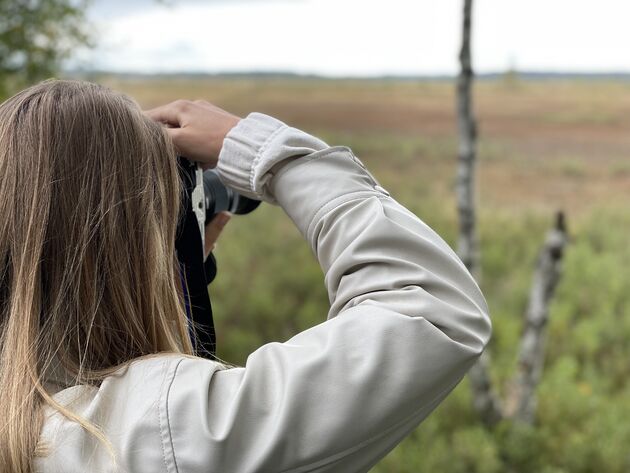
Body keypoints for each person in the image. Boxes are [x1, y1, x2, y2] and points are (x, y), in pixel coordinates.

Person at [0, 79, 492, 473]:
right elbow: (430, 307)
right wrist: (267, 153)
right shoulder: (162, 429)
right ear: (150, 236)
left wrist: (163, 280)